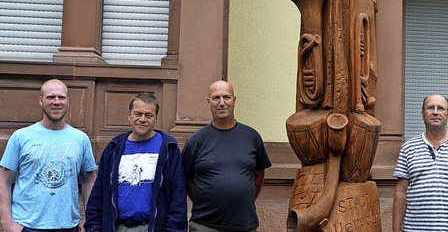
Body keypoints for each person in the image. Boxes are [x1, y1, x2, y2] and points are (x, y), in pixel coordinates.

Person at [0, 79, 97, 232]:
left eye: (61, 97)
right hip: (27, 225)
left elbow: (89, 179)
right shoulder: (21, 137)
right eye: (50, 97)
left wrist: (89, 219)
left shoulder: (80, 139)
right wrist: (6, 222)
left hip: (68, 226)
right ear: (41, 101)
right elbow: (3, 179)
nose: (56, 102)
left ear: (68, 101)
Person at [84, 92, 187, 232]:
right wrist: (93, 227)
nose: (142, 119)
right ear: (129, 115)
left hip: (153, 227)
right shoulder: (114, 148)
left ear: (156, 117)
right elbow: (99, 193)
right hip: (117, 227)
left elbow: (178, 196)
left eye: (149, 115)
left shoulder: (168, 149)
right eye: (138, 114)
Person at [182, 80, 272, 232]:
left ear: (234, 101)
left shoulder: (252, 137)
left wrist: (242, 199)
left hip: (244, 224)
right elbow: (187, 179)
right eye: (216, 98)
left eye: (226, 97)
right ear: (208, 101)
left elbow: (258, 175)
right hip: (205, 225)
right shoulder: (196, 141)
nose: (222, 103)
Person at [392, 94, 448, 232]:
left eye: (441, 108)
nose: (435, 112)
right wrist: (396, 229)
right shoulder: (408, 148)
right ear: (422, 114)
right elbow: (400, 192)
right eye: (430, 108)